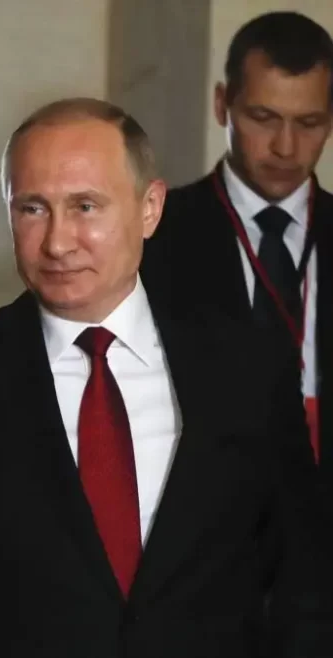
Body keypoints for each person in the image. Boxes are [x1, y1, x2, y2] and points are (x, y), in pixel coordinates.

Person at [0, 98, 333, 657]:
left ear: (150, 208)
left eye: (84, 207)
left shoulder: (248, 369)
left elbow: (307, 593)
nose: (57, 242)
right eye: (32, 208)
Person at [142, 12, 333, 488]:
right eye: (263, 118)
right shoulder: (154, 234)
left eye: (309, 123)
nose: (286, 147)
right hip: (200, 518)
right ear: (222, 104)